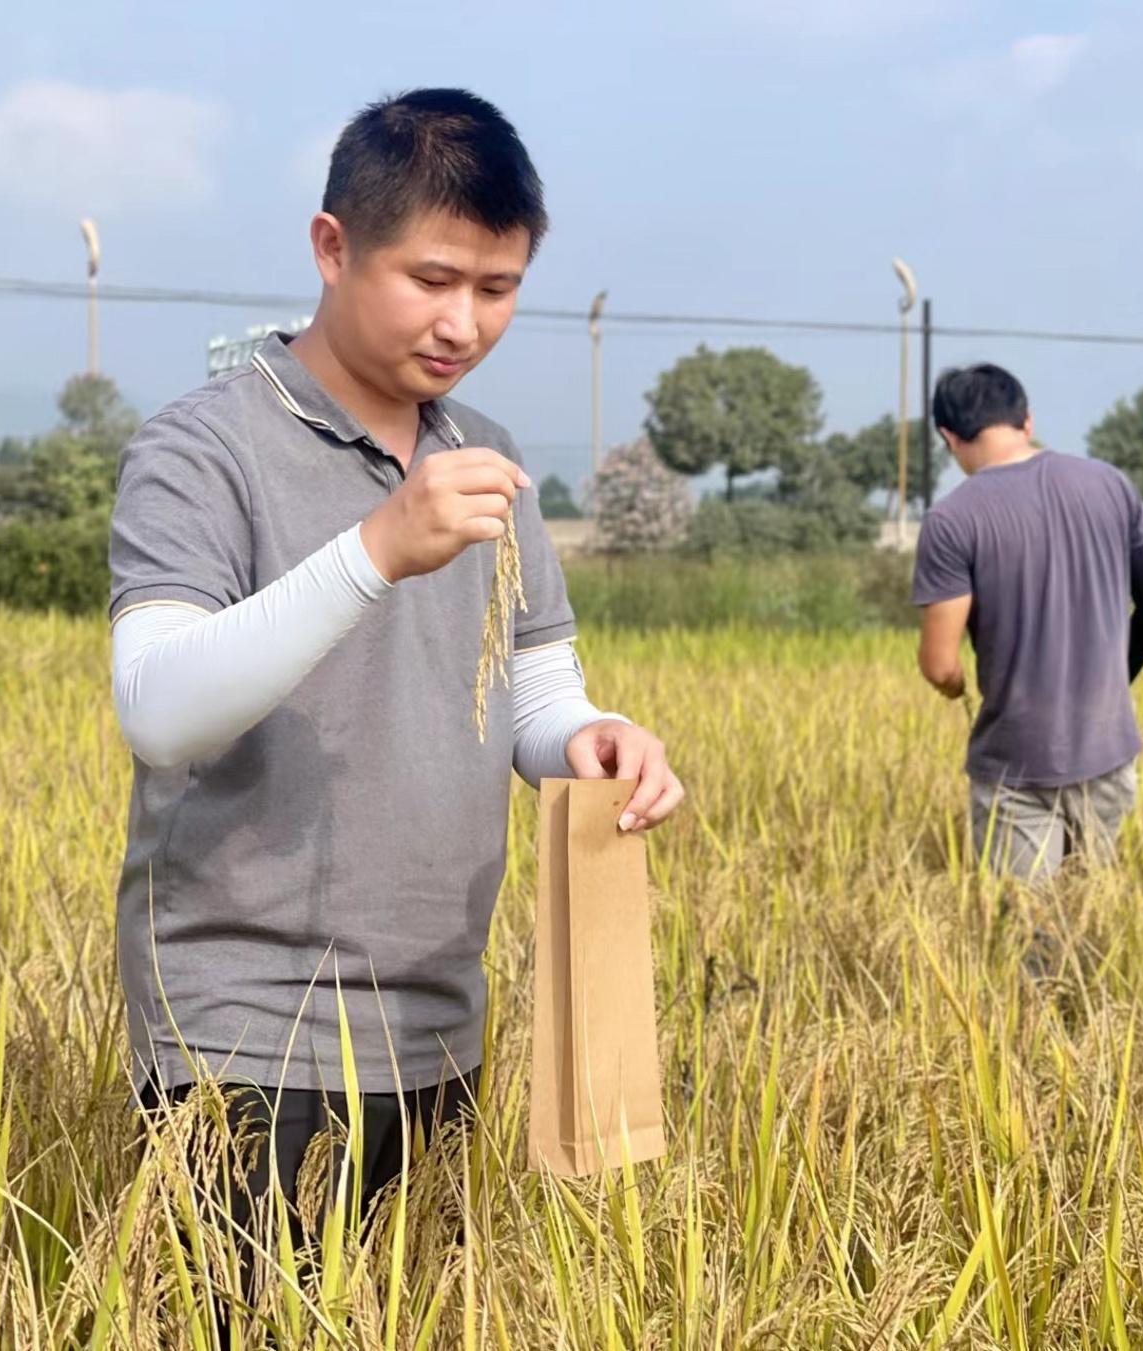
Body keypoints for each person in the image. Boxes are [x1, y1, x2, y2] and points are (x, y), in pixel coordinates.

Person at [107, 88, 685, 1248]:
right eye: (430, 279)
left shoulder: (488, 457)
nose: (462, 323)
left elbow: (532, 681)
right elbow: (159, 708)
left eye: (497, 288)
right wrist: (376, 549)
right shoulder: (203, 448)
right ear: (333, 247)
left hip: (436, 1013)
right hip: (246, 1028)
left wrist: (585, 739)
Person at [911, 363, 1143, 881]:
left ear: (949, 436)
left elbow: (940, 666)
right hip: (1109, 746)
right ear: (1026, 422)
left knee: (1028, 935)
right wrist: (1112, 683)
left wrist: (957, 688)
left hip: (1018, 760)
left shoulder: (952, 520)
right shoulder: (1109, 484)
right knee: (1088, 922)